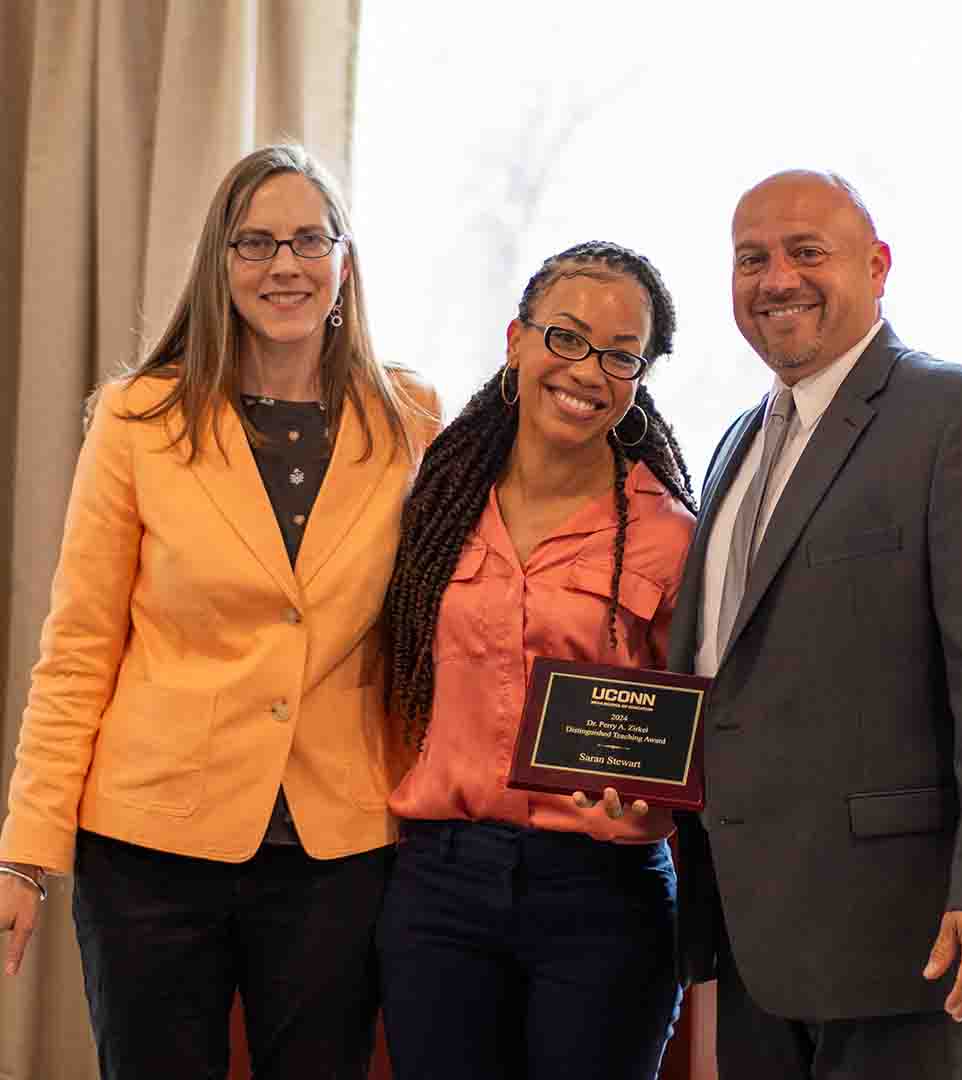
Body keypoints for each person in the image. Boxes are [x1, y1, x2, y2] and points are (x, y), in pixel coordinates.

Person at [0, 143, 438, 1079]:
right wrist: (25, 853)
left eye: (308, 240)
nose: (285, 265)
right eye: (255, 243)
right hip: (149, 847)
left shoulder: (413, 418)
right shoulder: (139, 418)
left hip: (339, 848)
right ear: (221, 264)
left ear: (344, 262)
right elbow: (78, 645)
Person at [664, 170, 962, 1078]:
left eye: (808, 252)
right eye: (751, 259)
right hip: (762, 939)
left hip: (920, 940)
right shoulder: (738, 440)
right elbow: (732, 671)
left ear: (878, 266)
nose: (777, 279)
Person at [376, 241, 696, 1080]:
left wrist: (654, 787)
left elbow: (707, 723)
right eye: (566, 338)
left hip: (605, 893)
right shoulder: (436, 500)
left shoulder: (670, 536)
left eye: (621, 355)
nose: (587, 371)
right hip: (439, 885)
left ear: (639, 379)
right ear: (516, 338)